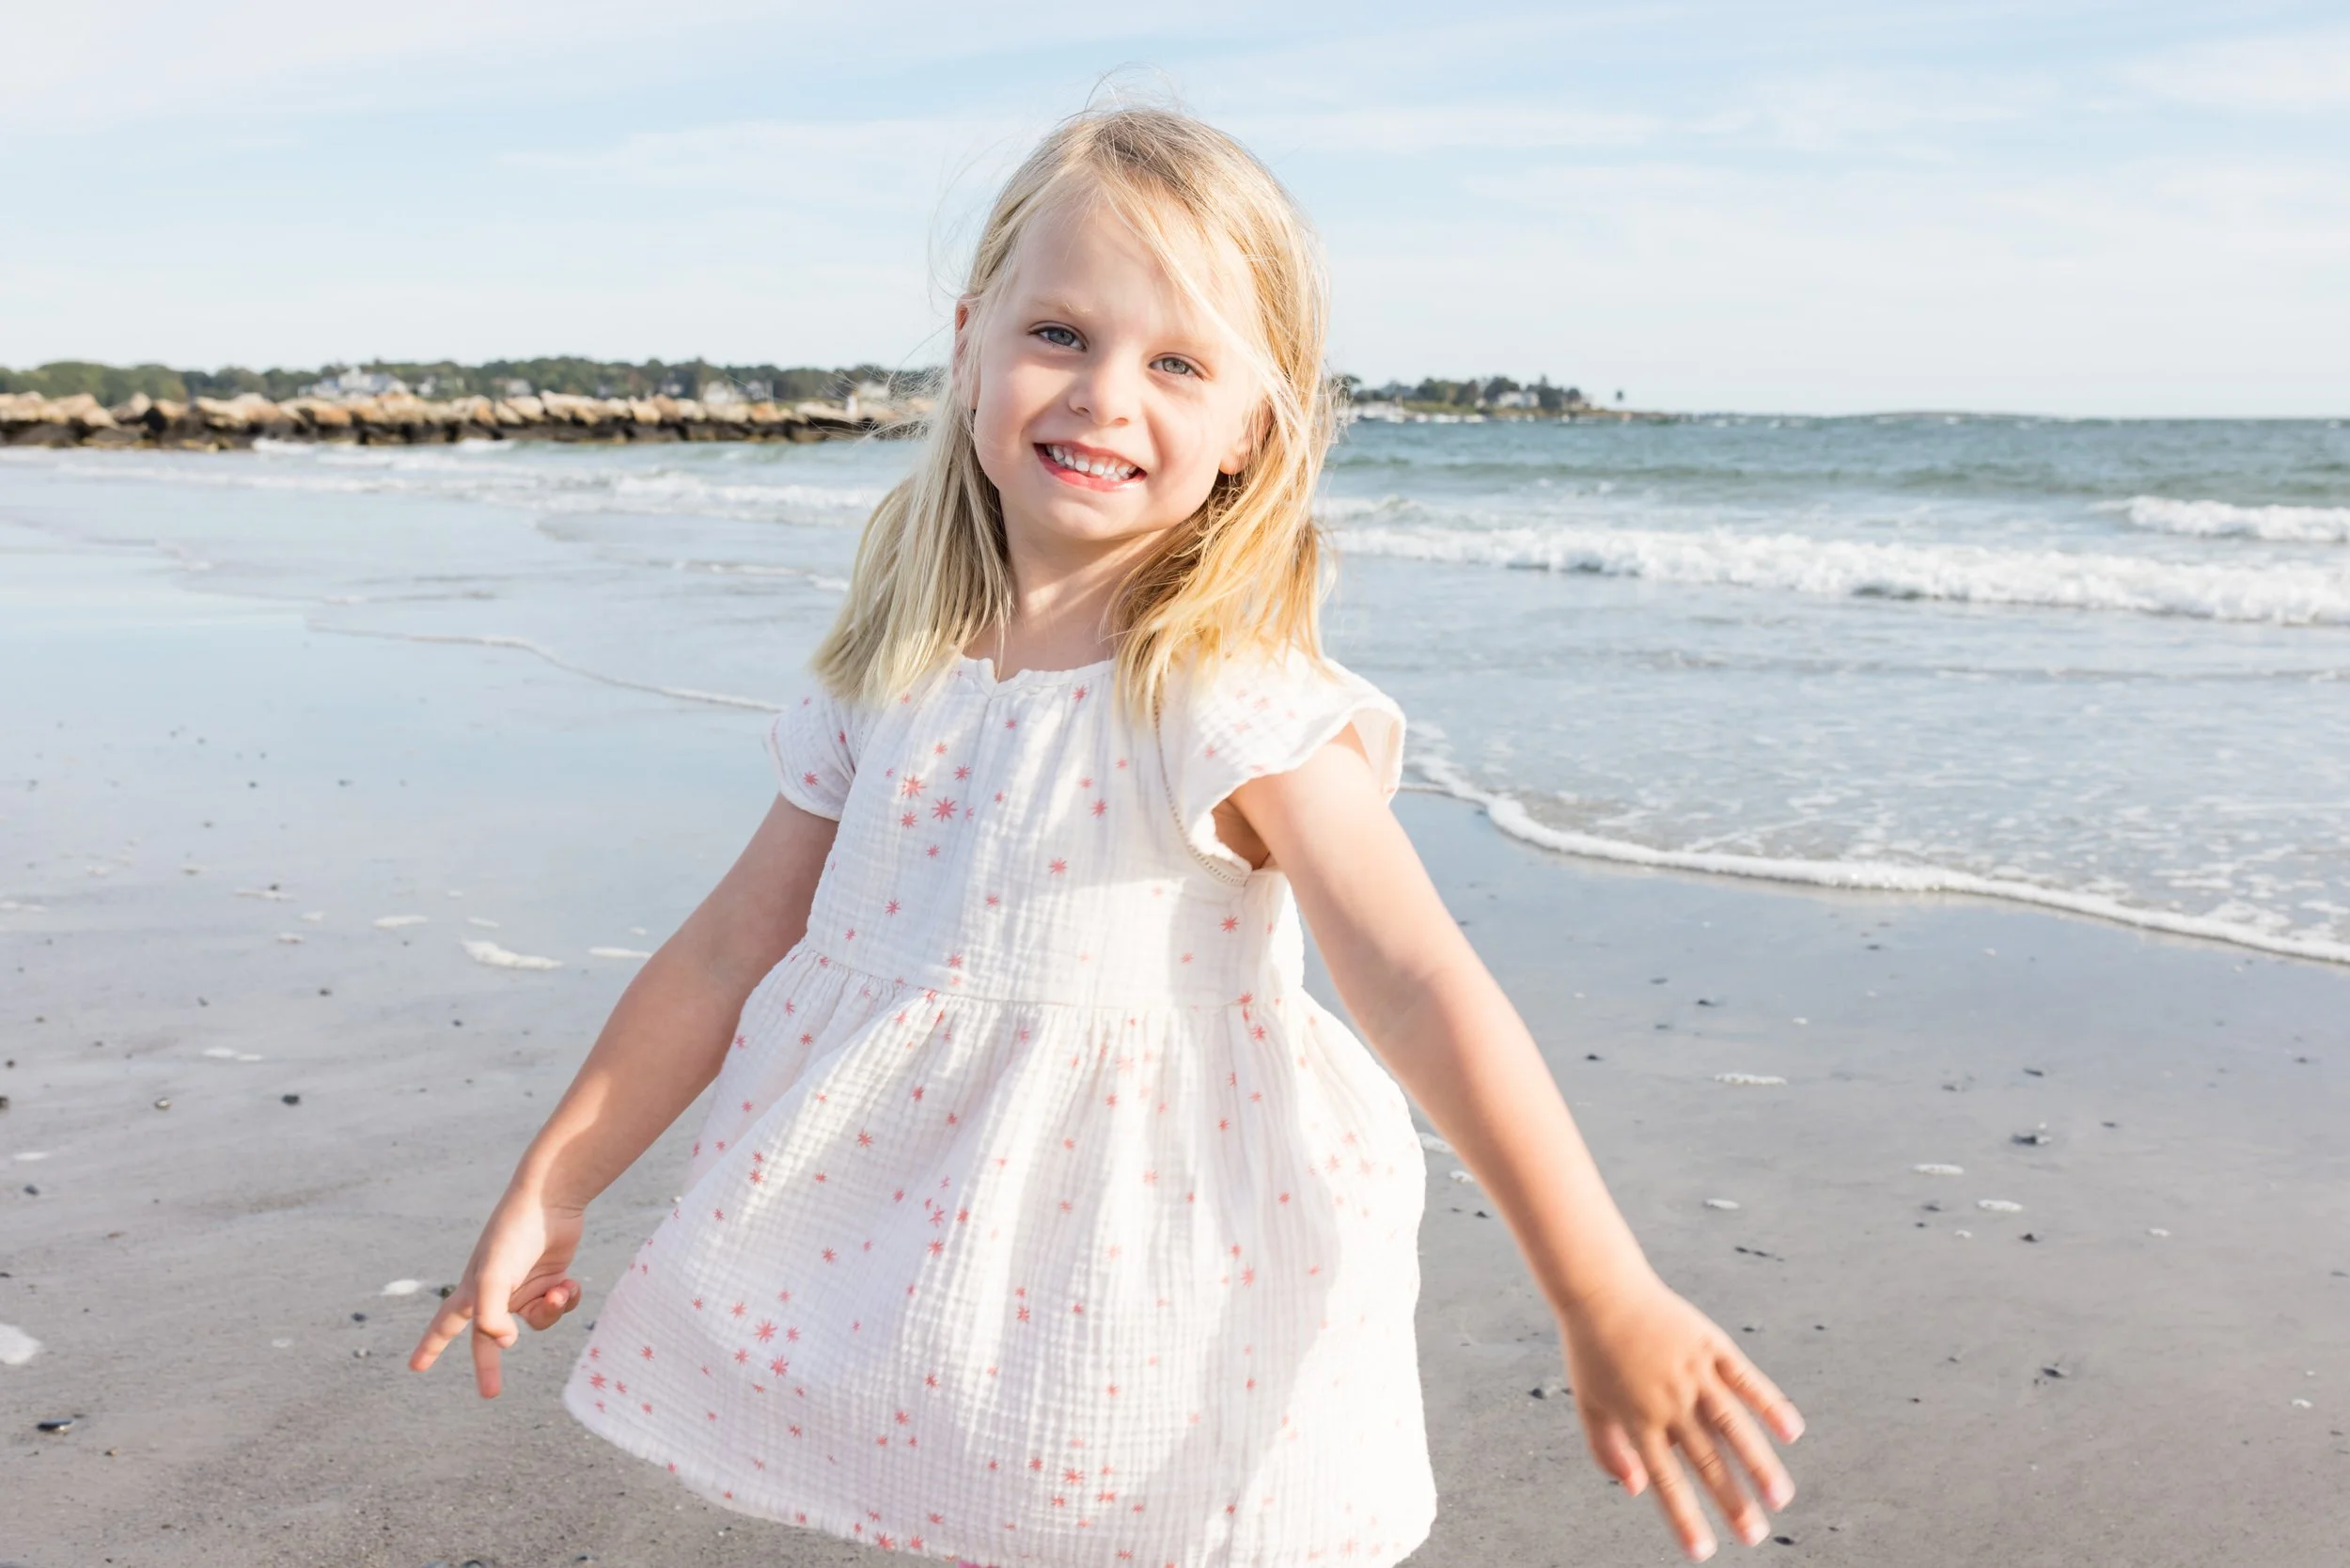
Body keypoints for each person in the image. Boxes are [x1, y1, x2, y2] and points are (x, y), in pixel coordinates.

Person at [409, 102, 1802, 1568]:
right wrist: (551, 1187)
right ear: (970, 346)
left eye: (1179, 362)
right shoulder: (894, 667)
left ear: (1257, 424)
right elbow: (723, 953)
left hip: (1143, 1276)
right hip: (900, 1253)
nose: (1105, 395)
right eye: (1061, 335)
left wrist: (1599, 1289)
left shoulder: (1225, 694)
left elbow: (1416, 978)